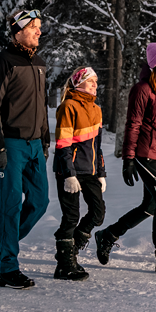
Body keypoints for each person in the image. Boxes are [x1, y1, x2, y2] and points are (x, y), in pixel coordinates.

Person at [95, 42, 156, 274]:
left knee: (149, 206)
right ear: (155, 62)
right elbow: (133, 125)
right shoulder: (142, 89)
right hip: (144, 155)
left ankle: (107, 235)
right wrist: (128, 160)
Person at [0, 8, 50, 289]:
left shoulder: (41, 63)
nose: (39, 31)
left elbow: (42, 107)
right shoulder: (2, 62)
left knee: (40, 202)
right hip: (9, 145)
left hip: (35, 145)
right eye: (34, 26)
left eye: (40, 26)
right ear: (18, 30)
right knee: (10, 207)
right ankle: (8, 267)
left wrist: (45, 140)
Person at [51, 66, 106, 281]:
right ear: (78, 83)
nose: (95, 85)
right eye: (91, 81)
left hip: (90, 171)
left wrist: (101, 172)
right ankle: (64, 265)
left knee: (98, 213)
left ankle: (71, 250)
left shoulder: (97, 109)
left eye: (96, 81)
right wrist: (68, 175)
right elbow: (63, 144)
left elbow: (97, 146)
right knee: (71, 216)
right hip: (70, 171)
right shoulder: (68, 106)